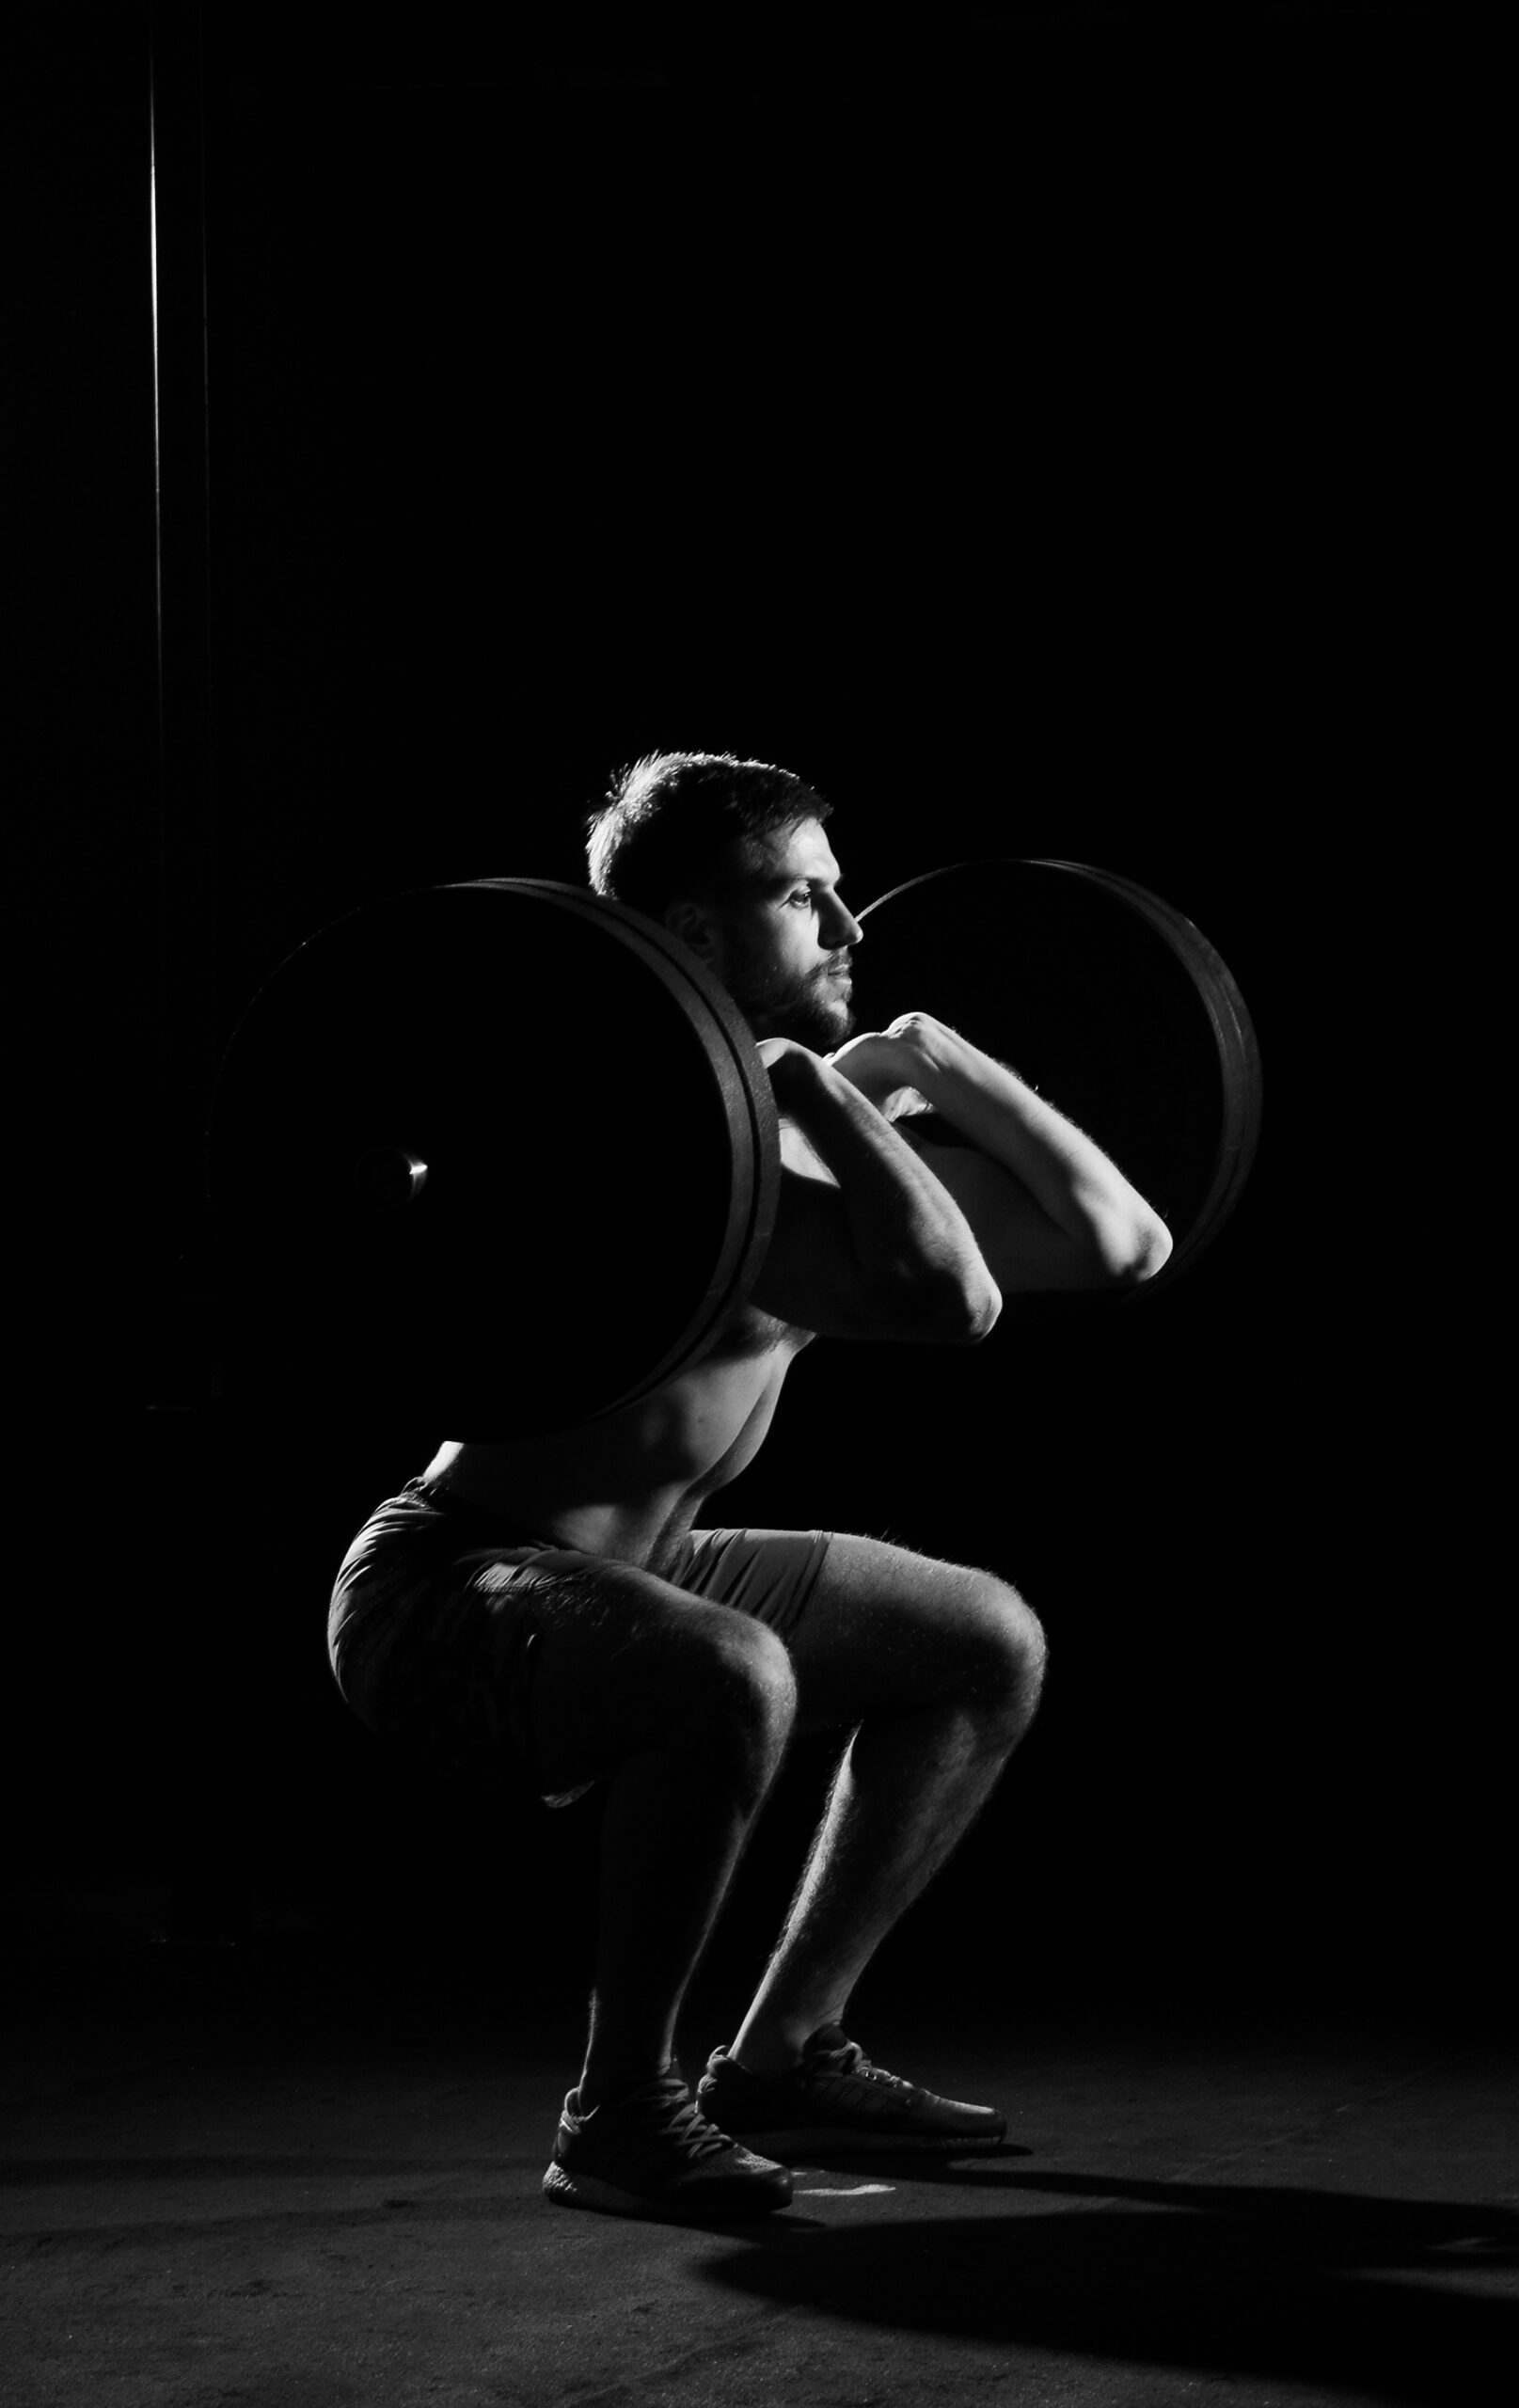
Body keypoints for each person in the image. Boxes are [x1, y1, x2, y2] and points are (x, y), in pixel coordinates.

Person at [327, 752, 1172, 2223]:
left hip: (647, 1571)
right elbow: (949, 1301)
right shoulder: (639, 1137)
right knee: (730, 1670)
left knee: (982, 1643)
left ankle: (778, 2054)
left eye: (841, 892)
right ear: (699, 936)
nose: (847, 927)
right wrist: (807, 1082)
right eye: (801, 894)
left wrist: (921, 1057)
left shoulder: (804, 1125)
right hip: (447, 1591)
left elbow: (1122, 1245)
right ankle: (620, 2115)